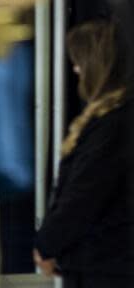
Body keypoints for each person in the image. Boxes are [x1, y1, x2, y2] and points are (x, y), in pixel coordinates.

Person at [34, 20, 134, 287]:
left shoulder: (112, 124)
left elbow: (83, 193)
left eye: (79, 62)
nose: (76, 69)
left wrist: (47, 244)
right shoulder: (113, 120)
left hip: (106, 267)